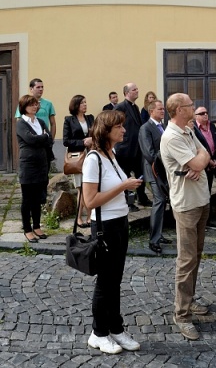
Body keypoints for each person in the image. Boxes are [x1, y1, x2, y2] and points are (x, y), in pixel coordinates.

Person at [81, 110, 143, 354]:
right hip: (104, 227)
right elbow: (90, 201)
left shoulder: (111, 154)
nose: (124, 130)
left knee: (115, 280)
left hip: (120, 222)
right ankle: (98, 333)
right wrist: (124, 185)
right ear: (106, 131)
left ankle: (116, 328)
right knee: (105, 281)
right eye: (119, 126)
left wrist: (127, 186)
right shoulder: (93, 159)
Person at [160, 93, 212, 341]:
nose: (194, 107)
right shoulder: (171, 136)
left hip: (200, 199)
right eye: (190, 105)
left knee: (196, 256)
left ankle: (189, 301)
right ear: (180, 110)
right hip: (187, 205)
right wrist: (198, 162)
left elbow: (206, 154)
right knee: (186, 259)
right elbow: (200, 162)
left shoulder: (189, 130)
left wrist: (198, 161)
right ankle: (181, 315)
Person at [16, 95, 54, 243]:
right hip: (28, 166)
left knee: (38, 198)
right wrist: (42, 138)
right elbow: (29, 139)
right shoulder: (21, 123)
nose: (34, 106)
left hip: (42, 164)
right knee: (27, 199)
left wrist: (42, 138)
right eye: (31, 104)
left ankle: (37, 226)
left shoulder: (41, 122)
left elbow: (49, 139)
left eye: (35, 104)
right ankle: (27, 229)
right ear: (24, 107)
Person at [138, 100, 170, 254]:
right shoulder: (145, 128)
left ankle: (158, 234)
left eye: (163, 109)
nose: (163, 111)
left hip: (164, 171)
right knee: (159, 200)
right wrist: (166, 157)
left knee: (163, 202)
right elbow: (149, 153)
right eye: (160, 109)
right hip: (154, 171)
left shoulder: (163, 126)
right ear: (151, 111)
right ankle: (154, 240)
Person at [113, 83, 150, 210]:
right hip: (125, 148)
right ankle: (128, 202)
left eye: (137, 89)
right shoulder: (120, 107)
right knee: (125, 176)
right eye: (134, 89)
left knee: (140, 173)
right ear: (126, 93)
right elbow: (114, 125)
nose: (137, 91)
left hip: (137, 147)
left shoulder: (135, 107)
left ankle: (142, 198)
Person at [62, 94, 94, 227]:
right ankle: (81, 217)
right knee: (81, 187)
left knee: (89, 185)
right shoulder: (69, 120)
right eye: (82, 103)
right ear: (76, 105)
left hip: (91, 155)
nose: (85, 105)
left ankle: (89, 216)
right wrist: (83, 142)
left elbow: (96, 133)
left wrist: (92, 140)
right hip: (77, 157)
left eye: (85, 102)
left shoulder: (90, 118)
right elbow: (66, 141)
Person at [192, 106, 216, 193]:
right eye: (202, 113)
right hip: (202, 165)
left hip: (213, 163)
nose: (205, 114)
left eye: (206, 112)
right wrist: (208, 161)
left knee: (209, 189)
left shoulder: (212, 126)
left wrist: (215, 160)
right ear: (196, 116)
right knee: (202, 191)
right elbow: (196, 147)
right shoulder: (193, 128)